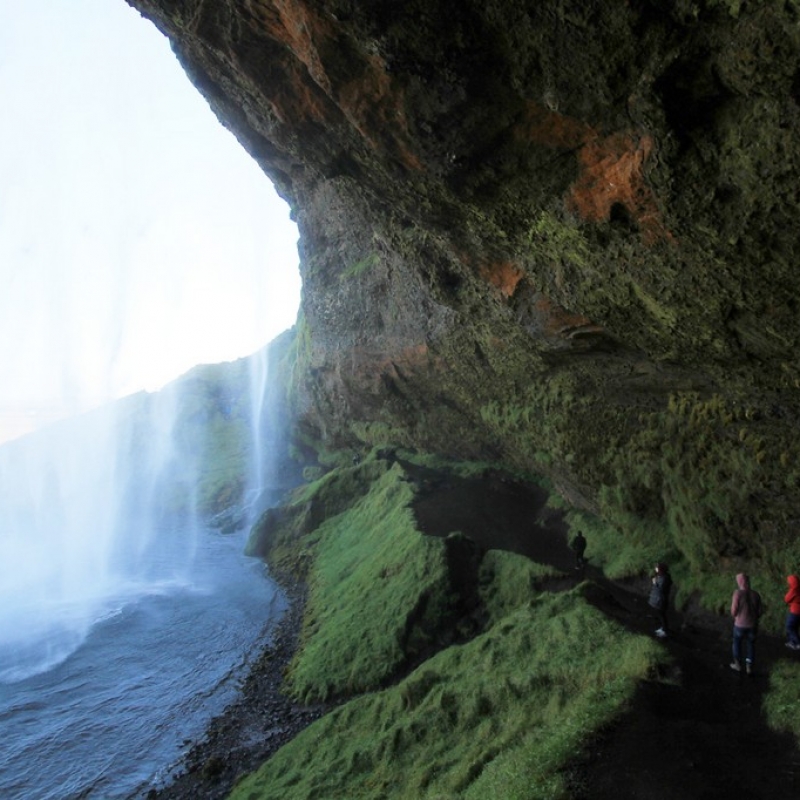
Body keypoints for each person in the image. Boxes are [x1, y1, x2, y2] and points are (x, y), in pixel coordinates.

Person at [730, 573, 762, 675]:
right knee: (751, 645)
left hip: (739, 625)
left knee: (736, 643)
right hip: (752, 625)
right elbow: (760, 611)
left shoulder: (737, 594)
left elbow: (734, 611)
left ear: (739, 582)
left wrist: (736, 617)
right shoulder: (756, 594)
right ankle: (749, 667)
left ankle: (738, 665)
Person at [648, 562, 672, 638]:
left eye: (657, 568)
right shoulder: (661, 576)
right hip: (658, 600)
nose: (656, 569)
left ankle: (665, 630)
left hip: (661, 600)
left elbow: (661, 589)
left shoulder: (665, 578)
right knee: (660, 614)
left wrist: (655, 583)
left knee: (662, 615)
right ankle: (663, 628)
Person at [784, 574, 800, 651]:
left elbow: (786, 599)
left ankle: (797, 642)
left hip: (795, 611)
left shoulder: (793, 590)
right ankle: (792, 642)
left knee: (789, 626)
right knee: (795, 627)